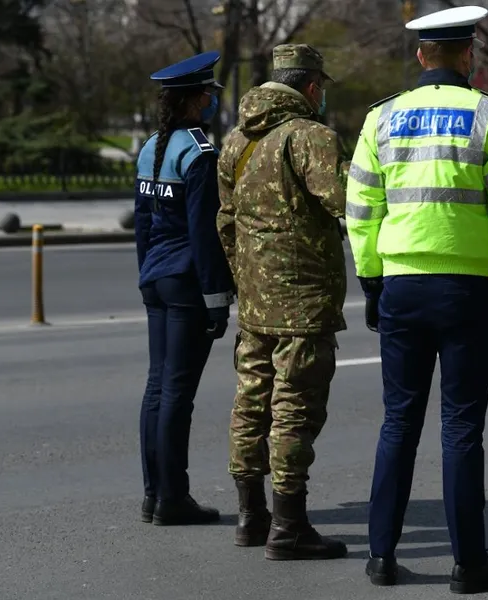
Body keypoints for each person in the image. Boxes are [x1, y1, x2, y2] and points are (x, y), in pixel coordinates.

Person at [345, 5, 488, 593]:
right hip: (465, 291)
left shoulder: (380, 118)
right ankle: (469, 564)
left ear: (422, 55)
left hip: (400, 286)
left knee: (398, 422)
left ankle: (381, 556)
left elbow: (360, 210)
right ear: (468, 55)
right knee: (460, 427)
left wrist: (371, 282)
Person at [216, 44, 350, 560]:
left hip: (253, 302)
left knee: (250, 402)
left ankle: (251, 517)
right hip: (302, 302)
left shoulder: (236, 141)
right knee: (294, 407)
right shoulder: (309, 137)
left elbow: (225, 223)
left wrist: (248, 277)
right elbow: (347, 203)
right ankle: (289, 525)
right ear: (312, 88)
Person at [134, 51, 236, 527]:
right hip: (186, 281)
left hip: (156, 276)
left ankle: (154, 494)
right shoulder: (198, 151)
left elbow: (142, 224)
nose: (213, 102)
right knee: (176, 393)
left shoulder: (151, 146)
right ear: (197, 100)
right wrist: (217, 300)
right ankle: (173, 498)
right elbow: (205, 232)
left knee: (157, 389)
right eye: (210, 96)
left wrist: (145, 273)